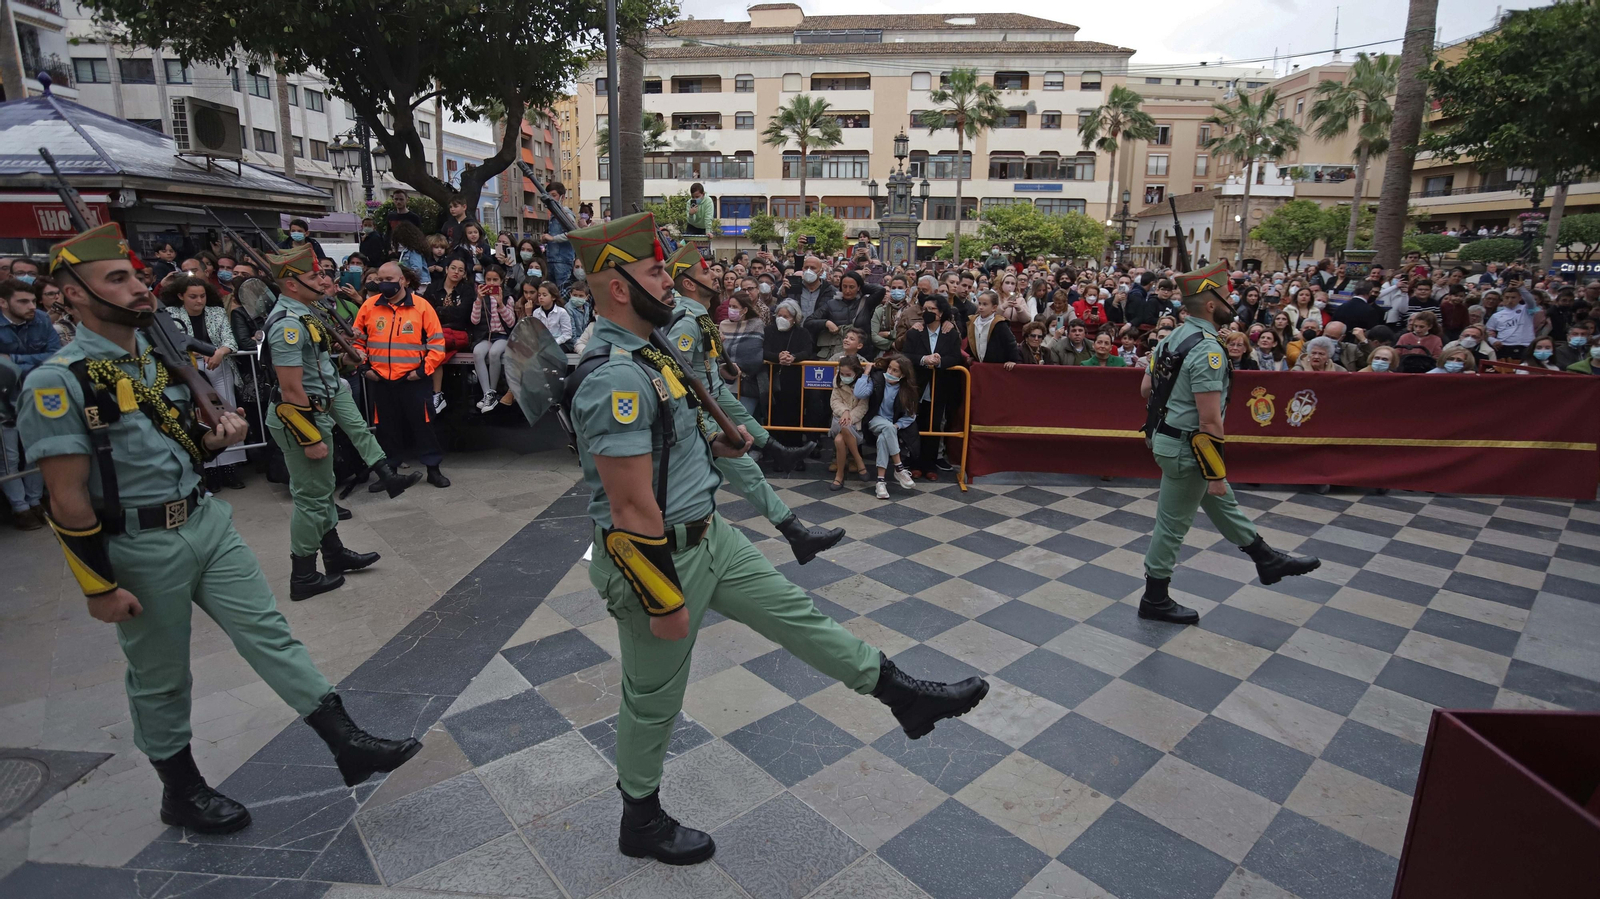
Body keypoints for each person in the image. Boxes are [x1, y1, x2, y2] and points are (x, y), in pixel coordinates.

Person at [563, 213, 986, 865]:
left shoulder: (652, 351)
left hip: (710, 534)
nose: (670, 282)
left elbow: (671, 440)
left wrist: (721, 442)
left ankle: (901, 694)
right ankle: (640, 819)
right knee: (653, 699)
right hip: (658, 558)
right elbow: (628, 503)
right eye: (654, 273)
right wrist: (664, 599)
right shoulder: (616, 375)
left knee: (799, 616)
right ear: (618, 288)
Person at [18, 223, 420, 835]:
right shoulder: (59, 381)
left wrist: (213, 440)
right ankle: (180, 790)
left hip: (206, 521)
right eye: (117, 279)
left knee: (271, 635)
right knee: (161, 676)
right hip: (141, 544)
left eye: (134, 275)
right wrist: (98, 586)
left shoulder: (152, 357)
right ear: (72, 294)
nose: (138, 287)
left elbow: (182, 445)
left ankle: (347, 741)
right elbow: (66, 498)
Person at [1139, 260, 1320, 624]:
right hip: (1190, 449)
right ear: (1210, 304)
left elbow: (1146, 389)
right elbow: (1209, 419)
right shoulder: (1207, 350)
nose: (1231, 301)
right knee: (1172, 526)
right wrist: (1216, 473)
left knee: (1224, 506)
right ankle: (1154, 598)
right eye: (1225, 296)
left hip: (1169, 439)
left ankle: (1266, 558)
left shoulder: (1172, 337)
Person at [663, 244, 837, 561]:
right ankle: (793, 535)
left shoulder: (698, 317)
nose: (714, 275)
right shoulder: (687, 321)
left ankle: (778, 458)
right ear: (689, 283)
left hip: (711, 404)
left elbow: (706, 376)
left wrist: (723, 368)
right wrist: (705, 428)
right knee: (734, 479)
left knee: (743, 469)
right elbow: (676, 374)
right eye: (705, 271)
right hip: (696, 419)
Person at [262, 246, 418, 598]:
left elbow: (316, 367)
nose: (322, 280)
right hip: (301, 419)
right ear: (291, 284)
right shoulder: (288, 324)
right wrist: (310, 438)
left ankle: (333, 555)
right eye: (314, 276)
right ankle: (303, 575)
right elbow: (290, 388)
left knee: (322, 490)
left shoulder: (306, 313)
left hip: (316, 411)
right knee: (311, 499)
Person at [352, 262, 451, 488]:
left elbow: (437, 345)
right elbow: (357, 342)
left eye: (389, 280)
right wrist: (365, 368)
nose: (383, 284)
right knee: (386, 429)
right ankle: (390, 474)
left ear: (403, 280)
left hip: (413, 379)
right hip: (381, 380)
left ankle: (433, 470)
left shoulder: (422, 307)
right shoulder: (369, 306)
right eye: (380, 280)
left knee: (424, 426)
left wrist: (422, 371)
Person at [161, 276, 246, 492]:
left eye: (202, 296)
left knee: (226, 412)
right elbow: (173, 344)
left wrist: (219, 352)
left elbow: (230, 340)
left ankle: (230, 466)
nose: (199, 301)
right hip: (189, 370)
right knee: (199, 415)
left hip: (219, 366)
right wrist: (200, 353)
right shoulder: (170, 314)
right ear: (180, 296)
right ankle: (209, 468)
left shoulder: (216, 312)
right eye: (193, 296)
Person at [0, 277, 55, 528]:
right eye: (23, 301)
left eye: (33, 300)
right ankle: (20, 507)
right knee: (8, 456)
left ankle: (35, 501)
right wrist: (32, 361)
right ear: (3, 303)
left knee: (37, 450)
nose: (32, 306)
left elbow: (55, 355)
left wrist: (12, 360)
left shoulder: (41, 319)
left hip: (37, 392)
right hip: (4, 397)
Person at [900, 295, 962, 477]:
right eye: (924, 309)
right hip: (917, 386)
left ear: (941, 312)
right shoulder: (915, 332)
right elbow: (906, 355)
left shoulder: (950, 333)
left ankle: (930, 465)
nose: (926, 312)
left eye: (931, 309)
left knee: (934, 425)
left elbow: (955, 357)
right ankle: (915, 463)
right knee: (915, 423)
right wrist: (923, 359)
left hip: (939, 386)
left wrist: (940, 361)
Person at [857, 352, 921, 499]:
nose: (890, 372)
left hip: (890, 426)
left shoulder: (907, 390)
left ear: (903, 375)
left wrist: (898, 425)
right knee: (888, 428)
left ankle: (880, 482)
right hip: (874, 420)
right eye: (889, 368)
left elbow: (911, 416)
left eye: (895, 370)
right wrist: (866, 373)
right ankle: (899, 467)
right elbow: (860, 393)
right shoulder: (877, 379)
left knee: (883, 438)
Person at [469, 268, 518, 412]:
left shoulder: (507, 297)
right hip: (486, 336)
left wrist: (501, 304)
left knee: (494, 353)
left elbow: (511, 323)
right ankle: (487, 393)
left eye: (495, 280)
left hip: (503, 336)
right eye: (488, 280)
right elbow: (474, 320)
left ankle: (493, 391)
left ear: (501, 281)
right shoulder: (480, 297)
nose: (491, 283)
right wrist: (478, 300)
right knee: (477, 352)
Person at [828, 355, 869, 489]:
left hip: (855, 422)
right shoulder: (837, 381)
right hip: (838, 418)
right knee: (843, 426)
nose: (844, 377)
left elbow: (863, 406)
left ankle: (839, 476)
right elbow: (834, 401)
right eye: (842, 374)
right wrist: (844, 411)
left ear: (856, 373)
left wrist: (849, 416)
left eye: (848, 374)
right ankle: (859, 461)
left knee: (839, 440)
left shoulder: (863, 384)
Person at [966, 290, 1020, 368]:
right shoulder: (973, 321)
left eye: (985, 304)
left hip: (996, 365)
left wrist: (1012, 359)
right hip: (980, 364)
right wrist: (972, 355)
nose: (981, 307)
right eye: (979, 303)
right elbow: (972, 340)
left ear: (994, 308)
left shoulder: (999, 323)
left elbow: (1010, 342)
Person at [538, 181, 576, 289]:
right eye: (549, 195)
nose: (551, 199)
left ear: (562, 197)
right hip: (552, 260)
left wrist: (553, 238)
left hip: (562, 261)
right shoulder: (554, 214)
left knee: (561, 290)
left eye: (554, 195)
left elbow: (573, 233)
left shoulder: (565, 213)